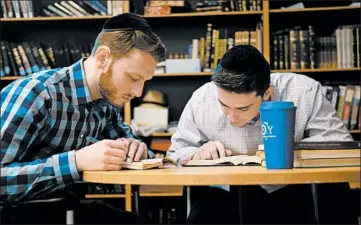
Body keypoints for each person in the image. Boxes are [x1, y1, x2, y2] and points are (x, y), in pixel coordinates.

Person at [0, 13, 166, 224]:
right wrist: (76, 161)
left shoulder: (107, 102)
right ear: (103, 58)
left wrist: (138, 149)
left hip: (66, 207)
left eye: (144, 81)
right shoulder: (38, 93)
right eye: (133, 78)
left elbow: (139, 150)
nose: (138, 92)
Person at [167, 45, 356, 224]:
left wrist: (294, 150)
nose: (232, 117)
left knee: (334, 190)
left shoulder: (304, 91)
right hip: (227, 196)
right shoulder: (201, 100)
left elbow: (340, 144)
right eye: (224, 105)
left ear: (266, 93)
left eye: (243, 107)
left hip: (293, 190)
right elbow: (175, 153)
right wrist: (197, 153)